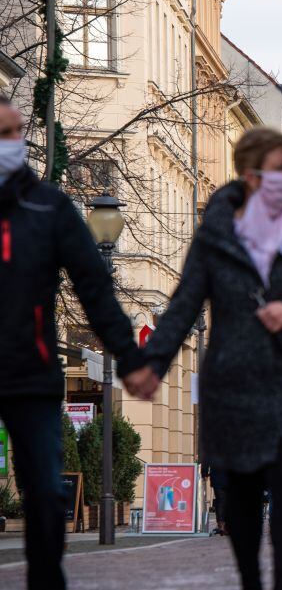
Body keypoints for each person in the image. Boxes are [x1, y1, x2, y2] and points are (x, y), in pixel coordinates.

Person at [140, 126, 282, 590]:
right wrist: (152, 364)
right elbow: (185, 302)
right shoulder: (218, 229)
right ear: (252, 177)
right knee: (244, 494)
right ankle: (251, 580)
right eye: (280, 169)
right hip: (234, 383)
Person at [0, 96, 150, 590]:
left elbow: (94, 288)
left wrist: (129, 357)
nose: (11, 145)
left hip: (31, 374)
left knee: (45, 493)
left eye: (14, 133)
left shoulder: (48, 206)